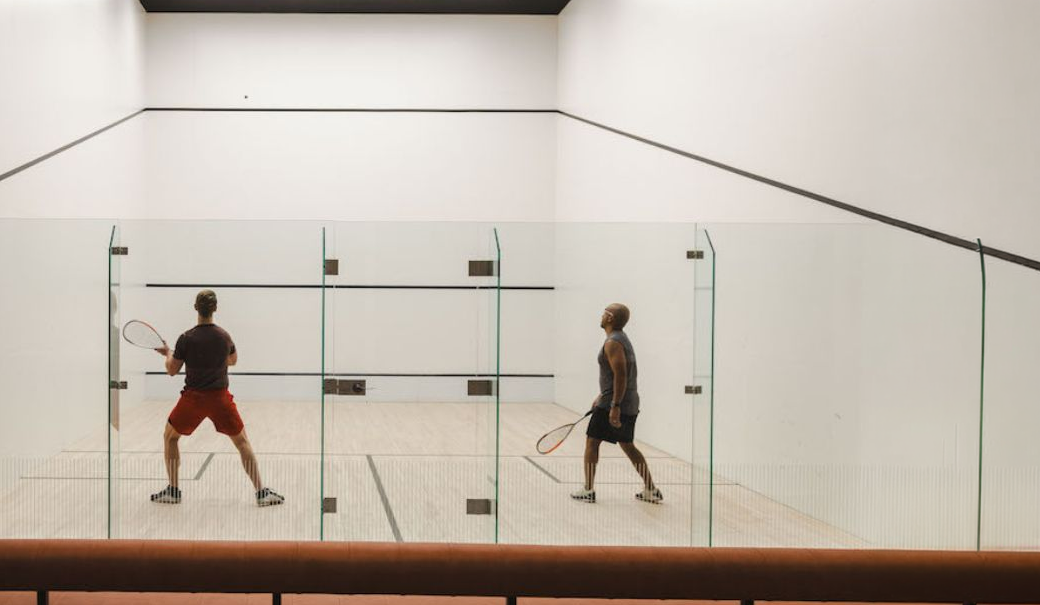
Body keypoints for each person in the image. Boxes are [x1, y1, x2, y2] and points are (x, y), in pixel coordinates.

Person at [151, 289, 284, 507]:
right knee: (242, 442)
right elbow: (233, 360)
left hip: (193, 399)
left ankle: (173, 490)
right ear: (215, 309)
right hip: (220, 398)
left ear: (196, 308)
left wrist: (167, 353)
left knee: (170, 437)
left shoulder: (186, 338)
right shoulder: (224, 336)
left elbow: (172, 370)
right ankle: (261, 492)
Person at [570, 303, 662, 504]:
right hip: (622, 400)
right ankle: (651, 489)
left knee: (592, 441)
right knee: (627, 445)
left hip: (617, 403)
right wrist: (602, 395)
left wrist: (614, 406)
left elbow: (621, 375)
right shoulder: (621, 339)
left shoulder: (612, 342)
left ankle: (588, 490)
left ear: (610, 318)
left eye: (605, 312)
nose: (601, 315)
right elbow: (617, 375)